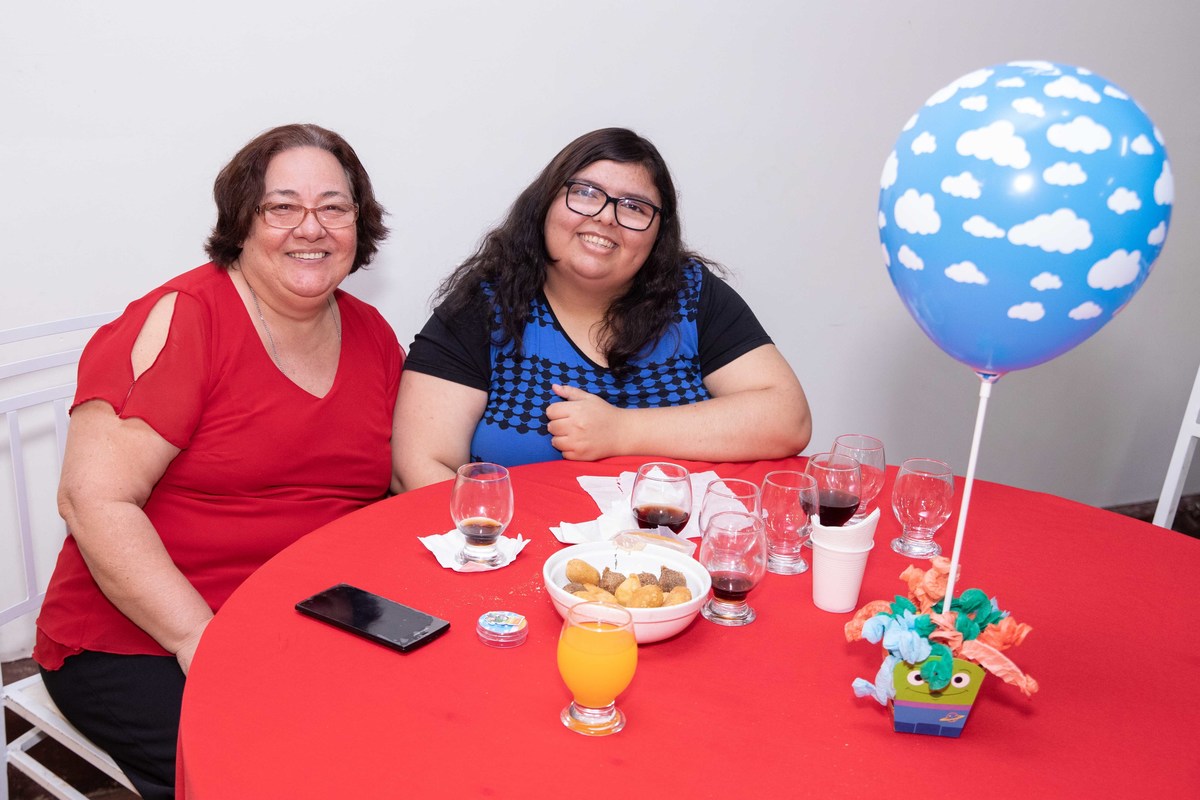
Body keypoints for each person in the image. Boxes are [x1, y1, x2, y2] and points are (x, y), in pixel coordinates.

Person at [34, 123, 401, 799]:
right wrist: (199, 640)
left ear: (359, 221)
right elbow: (93, 500)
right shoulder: (186, 320)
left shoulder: (373, 334)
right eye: (282, 206)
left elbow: (396, 483)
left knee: (420, 731)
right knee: (281, 773)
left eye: (334, 207)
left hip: (306, 617)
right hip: (149, 633)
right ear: (241, 221)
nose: (310, 227)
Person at [395, 127, 810, 489]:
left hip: (675, 543)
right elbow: (418, 464)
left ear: (658, 233)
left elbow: (787, 419)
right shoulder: (485, 305)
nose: (606, 217)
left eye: (634, 207)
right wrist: (501, 535)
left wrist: (622, 431)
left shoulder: (691, 293)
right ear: (545, 203)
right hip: (517, 543)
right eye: (586, 193)